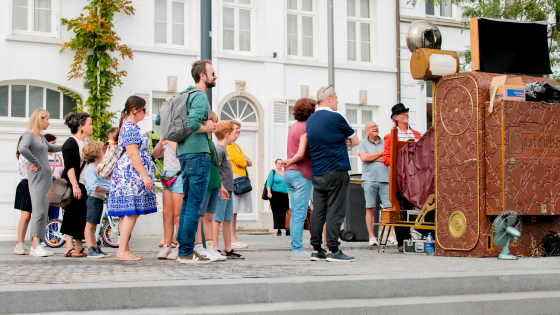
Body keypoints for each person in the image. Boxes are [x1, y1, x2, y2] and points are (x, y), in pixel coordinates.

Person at [306, 86, 359, 262]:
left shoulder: (310, 120)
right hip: (336, 168)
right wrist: (344, 142)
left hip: (318, 172)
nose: (337, 100)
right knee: (336, 209)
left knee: (318, 211)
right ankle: (334, 249)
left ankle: (316, 249)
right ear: (329, 98)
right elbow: (356, 140)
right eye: (336, 97)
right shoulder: (337, 116)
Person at [175, 59, 216, 264]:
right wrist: (208, 127)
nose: (215, 77)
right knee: (194, 205)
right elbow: (192, 123)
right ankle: (186, 252)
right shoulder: (199, 96)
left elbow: (158, 120)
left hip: (184, 153)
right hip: (198, 154)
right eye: (212, 73)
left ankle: (183, 249)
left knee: (187, 203)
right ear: (203, 76)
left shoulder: (185, 94)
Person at [108, 96, 157, 261]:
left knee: (128, 212)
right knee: (130, 212)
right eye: (143, 109)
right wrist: (144, 176)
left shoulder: (131, 127)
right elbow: (132, 153)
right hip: (131, 176)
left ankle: (124, 248)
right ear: (134, 110)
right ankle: (122, 250)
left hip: (131, 175)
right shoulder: (129, 128)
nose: (145, 112)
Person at [18, 109, 62, 257]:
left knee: (43, 210)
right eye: (47, 119)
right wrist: (34, 162)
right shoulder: (29, 135)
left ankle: (38, 244)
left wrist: (69, 145)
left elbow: (52, 148)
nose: (49, 122)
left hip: (46, 178)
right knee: (38, 210)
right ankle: (35, 245)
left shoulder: (41, 138)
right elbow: (22, 148)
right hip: (37, 178)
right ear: (39, 119)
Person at [382, 103, 423, 252]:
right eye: (402, 113)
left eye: (406, 112)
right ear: (395, 118)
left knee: (413, 208)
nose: (405, 114)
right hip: (399, 179)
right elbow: (386, 159)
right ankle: (402, 242)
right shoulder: (390, 136)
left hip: (415, 178)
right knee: (399, 208)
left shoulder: (417, 135)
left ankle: (415, 237)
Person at [282, 98, 316, 260]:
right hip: (301, 173)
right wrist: (291, 160)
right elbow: (301, 153)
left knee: (296, 212)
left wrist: (288, 162)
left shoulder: (293, 127)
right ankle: (297, 250)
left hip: (289, 174)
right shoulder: (305, 128)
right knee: (299, 214)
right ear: (310, 112)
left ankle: (296, 248)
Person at [193, 111, 227, 261]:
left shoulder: (211, 142)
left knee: (209, 216)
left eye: (216, 121)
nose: (216, 124)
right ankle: (198, 247)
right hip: (204, 184)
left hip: (213, 184)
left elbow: (215, 166)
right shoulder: (202, 142)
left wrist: (220, 185)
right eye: (213, 121)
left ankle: (210, 247)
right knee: (200, 217)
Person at [358, 121, 397, 246]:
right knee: (370, 208)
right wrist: (381, 154)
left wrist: (372, 157)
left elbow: (389, 159)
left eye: (376, 126)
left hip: (385, 179)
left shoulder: (385, 142)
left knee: (389, 208)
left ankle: (391, 236)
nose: (375, 128)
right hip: (369, 179)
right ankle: (371, 237)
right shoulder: (362, 143)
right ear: (367, 131)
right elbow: (364, 158)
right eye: (372, 127)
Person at [60, 112, 93, 258]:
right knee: (71, 213)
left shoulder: (83, 143)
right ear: (80, 126)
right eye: (89, 124)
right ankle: (68, 247)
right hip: (74, 184)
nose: (91, 126)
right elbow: (70, 167)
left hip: (83, 184)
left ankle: (79, 247)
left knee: (81, 215)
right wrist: (74, 186)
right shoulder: (70, 143)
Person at [213, 121, 244, 259]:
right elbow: (215, 170)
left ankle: (228, 248)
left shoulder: (225, 149)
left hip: (229, 190)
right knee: (217, 219)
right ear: (227, 135)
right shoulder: (219, 150)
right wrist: (220, 187)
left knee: (227, 219)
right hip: (222, 190)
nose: (235, 136)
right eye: (233, 134)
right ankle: (215, 247)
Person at [152, 137, 181, 260]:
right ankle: (166, 246)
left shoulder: (180, 137)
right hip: (167, 175)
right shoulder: (168, 140)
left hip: (180, 174)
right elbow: (156, 154)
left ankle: (180, 246)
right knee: (166, 214)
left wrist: (169, 140)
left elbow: (180, 151)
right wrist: (160, 143)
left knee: (177, 214)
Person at [82, 141, 111, 259]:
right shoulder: (90, 169)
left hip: (98, 199)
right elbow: (94, 186)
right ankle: (91, 249)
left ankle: (95, 247)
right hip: (93, 199)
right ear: (95, 155)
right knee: (90, 225)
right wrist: (111, 187)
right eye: (102, 152)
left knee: (94, 225)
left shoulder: (97, 169)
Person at [226, 120, 251, 249]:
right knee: (232, 210)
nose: (239, 130)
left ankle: (233, 238)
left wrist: (245, 160)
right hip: (234, 179)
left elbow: (248, 161)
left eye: (239, 128)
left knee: (234, 211)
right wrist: (244, 160)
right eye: (237, 128)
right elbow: (241, 161)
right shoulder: (229, 146)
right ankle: (231, 239)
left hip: (239, 179)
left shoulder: (236, 146)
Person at [13, 136, 32, 255]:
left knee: (28, 216)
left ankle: (22, 243)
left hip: (30, 185)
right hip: (26, 184)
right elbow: (30, 168)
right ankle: (19, 244)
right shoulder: (24, 154)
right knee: (25, 216)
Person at [266, 159, 289, 236]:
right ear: (275, 164)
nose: (280, 165)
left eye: (281, 163)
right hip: (275, 195)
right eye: (278, 163)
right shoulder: (273, 172)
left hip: (285, 195)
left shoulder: (286, 172)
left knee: (286, 212)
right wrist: (269, 192)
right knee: (277, 213)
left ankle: (287, 228)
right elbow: (268, 183)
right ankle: (279, 229)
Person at [44, 133, 63, 221]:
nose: (54, 145)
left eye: (55, 143)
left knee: (55, 213)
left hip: (57, 187)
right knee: (45, 212)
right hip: (46, 186)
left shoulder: (58, 157)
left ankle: (53, 233)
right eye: (52, 143)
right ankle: (44, 233)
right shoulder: (43, 157)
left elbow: (61, 172)